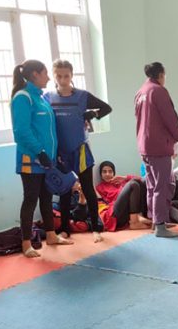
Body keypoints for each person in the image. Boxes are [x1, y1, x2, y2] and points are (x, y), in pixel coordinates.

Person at [43, 59, 111, 243]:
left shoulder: (82, 96)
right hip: (60, 152)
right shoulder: (47, 98)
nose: (63, 79)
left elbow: (106, 108)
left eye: (66, 76)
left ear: (72, 76)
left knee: (88, 189)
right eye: (59, 76)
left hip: (80, 150)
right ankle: (64, 229)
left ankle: (96, 228)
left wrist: (92, 114)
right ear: (53, 76)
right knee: (64, 190)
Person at [11, 59, 73, 257]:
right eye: (46, 73)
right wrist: (40, 152)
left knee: (46, 198)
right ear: (35, 74)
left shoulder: (42, 98)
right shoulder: (23, 97)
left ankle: (51, 234)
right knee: (30, 199)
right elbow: (21, 131)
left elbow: (49, 131)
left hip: (48, 160)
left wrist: (53, 156)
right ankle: (26, 243)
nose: (48, 77)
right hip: (31, 160)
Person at [135, 62, 178, 238]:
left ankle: (156, 220)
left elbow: (139, 119)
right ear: (161, 75)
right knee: (163, 186)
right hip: (158, 146)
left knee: (152, 185)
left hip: (145, 145)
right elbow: (170, 117)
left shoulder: (141, 91)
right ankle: (161, 226)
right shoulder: (158, 91)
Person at [95, 161, 152, 231]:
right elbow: (102, 204)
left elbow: (141, 179)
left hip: (127, 212)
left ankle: (140, 217)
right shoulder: (100, 187)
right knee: (132, 184)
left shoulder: (120, 181)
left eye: (110, 171)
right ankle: (135, 222)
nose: (107, 174)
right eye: (104, 172)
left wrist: (125, 178)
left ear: (114, 173)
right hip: (115, 213)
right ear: (101, 174)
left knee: (141, 182)